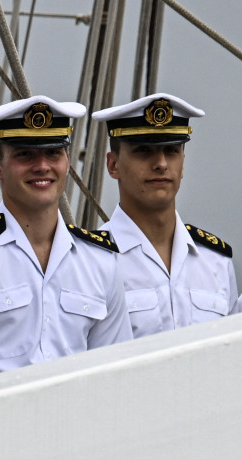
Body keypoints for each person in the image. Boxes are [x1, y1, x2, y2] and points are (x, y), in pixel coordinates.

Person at [0, 96, 132, 373]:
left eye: (54, 153)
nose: (42, 166)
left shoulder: (101, 262)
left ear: (66, 161)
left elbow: (114, 369)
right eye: (25, 155)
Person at [92, 93, 238, 338]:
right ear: (113, 165)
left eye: (171, 151)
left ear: (183, 162)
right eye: (143, 151)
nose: (160, 163)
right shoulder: (91, 263)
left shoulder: (216, 262)